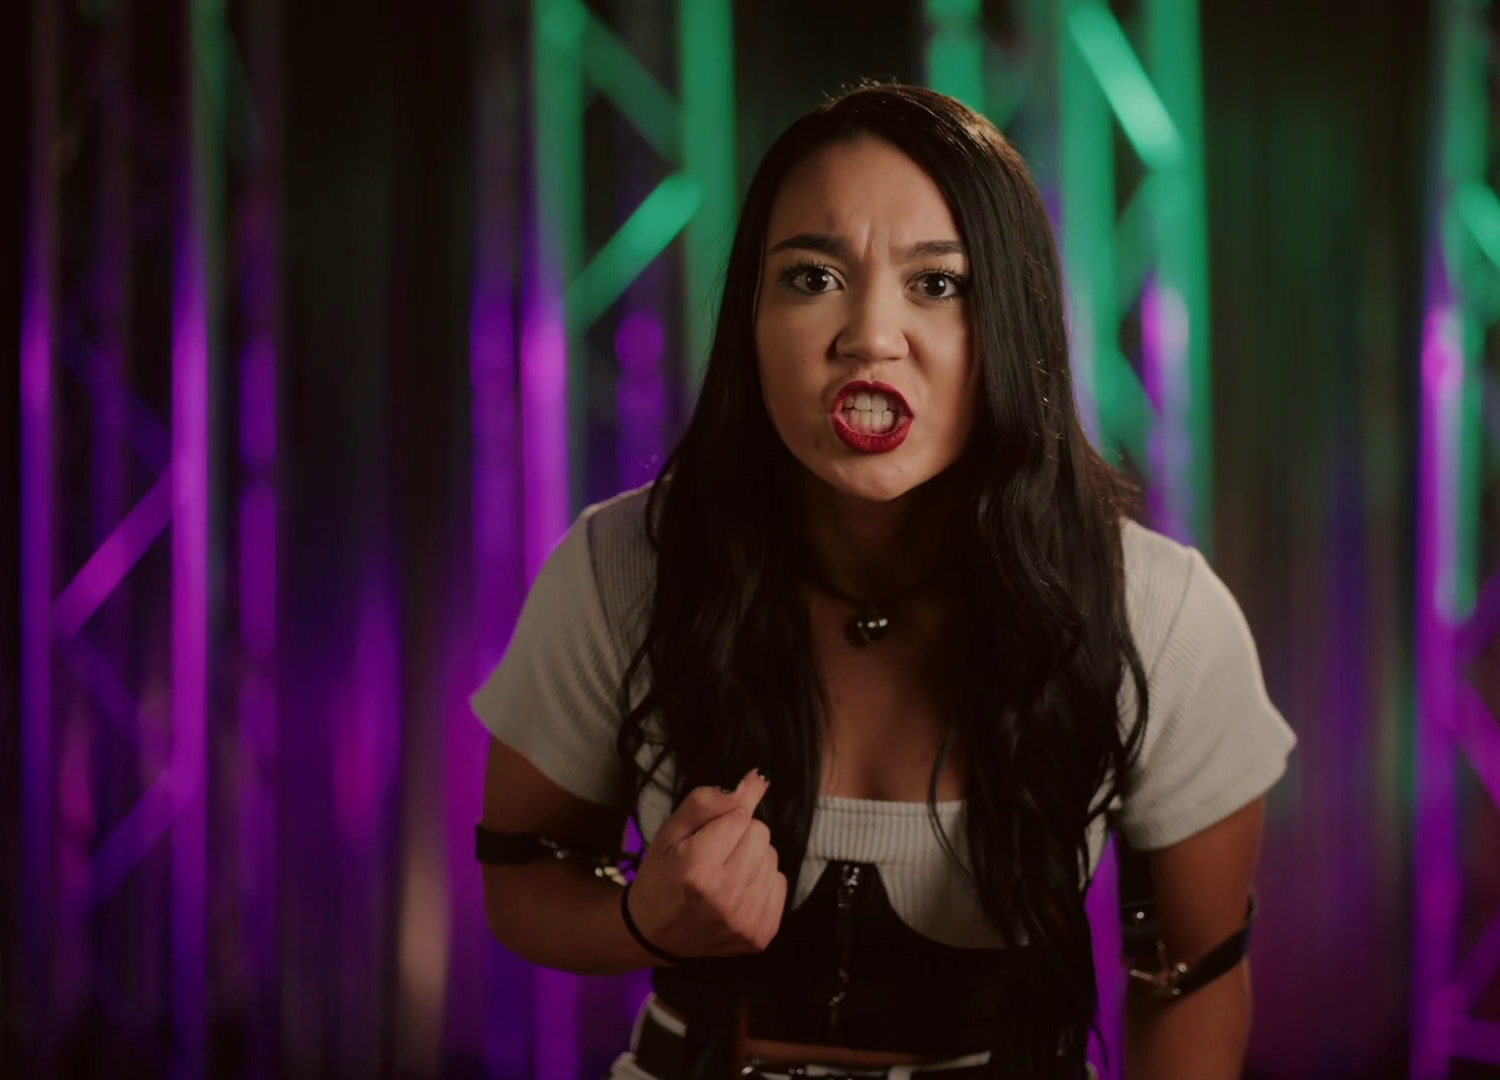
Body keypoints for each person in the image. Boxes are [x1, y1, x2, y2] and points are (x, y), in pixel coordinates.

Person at [471, 83, 1297, 1080]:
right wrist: (646, 918)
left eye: (938, 284)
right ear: (749, 320)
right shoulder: (621, 566)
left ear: (1016, 326)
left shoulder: (1157, 615)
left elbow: (1192, 976)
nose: (869, 335)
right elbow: (522, 878)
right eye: (812, 277)